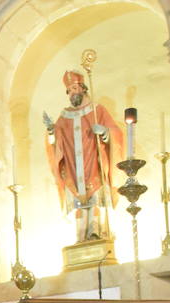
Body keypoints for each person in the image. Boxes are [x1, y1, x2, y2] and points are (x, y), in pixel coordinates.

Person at [43, 70, 125, 244]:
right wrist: (51, 131)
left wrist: (105, 132)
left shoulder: (97, 110)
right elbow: (55, 143)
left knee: (95, 197)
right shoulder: (64, 116)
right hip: (73, 166)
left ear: (83, 88)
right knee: (79, 200)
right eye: (69, 90)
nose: (72, 93)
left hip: (94, 163)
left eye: (75, 88)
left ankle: (97, 232)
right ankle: (81, 237)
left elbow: (116, 132)